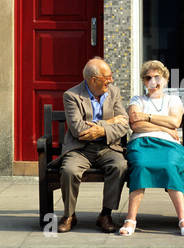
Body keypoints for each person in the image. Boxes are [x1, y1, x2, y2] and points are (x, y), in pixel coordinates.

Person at [49, 57, 130, 233]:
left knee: (120, 166)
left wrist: (101, 129)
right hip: (80, 149)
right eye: (107, 77)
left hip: (108, 146)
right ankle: (69, 215)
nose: (111, 80)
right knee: (69, 170)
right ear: (94, 80)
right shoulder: (71, 95)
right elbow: (79, 130)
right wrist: (110, 122)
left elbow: (123, 124)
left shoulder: (114, 92)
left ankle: (105, 214)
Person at [119, 60, 184, 236]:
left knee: (170, 165)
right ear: (144, 81)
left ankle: (183, 219)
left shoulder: (173, 99)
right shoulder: (137, 99)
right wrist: (165, 127)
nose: (153, 81)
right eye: (148, 78)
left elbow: (175, 121)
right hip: (142, 143)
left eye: (157, 77)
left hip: (169, 146)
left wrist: (147, 116)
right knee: (140, 165)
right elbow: (136, 126)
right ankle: (130, 219)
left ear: (165, 79)